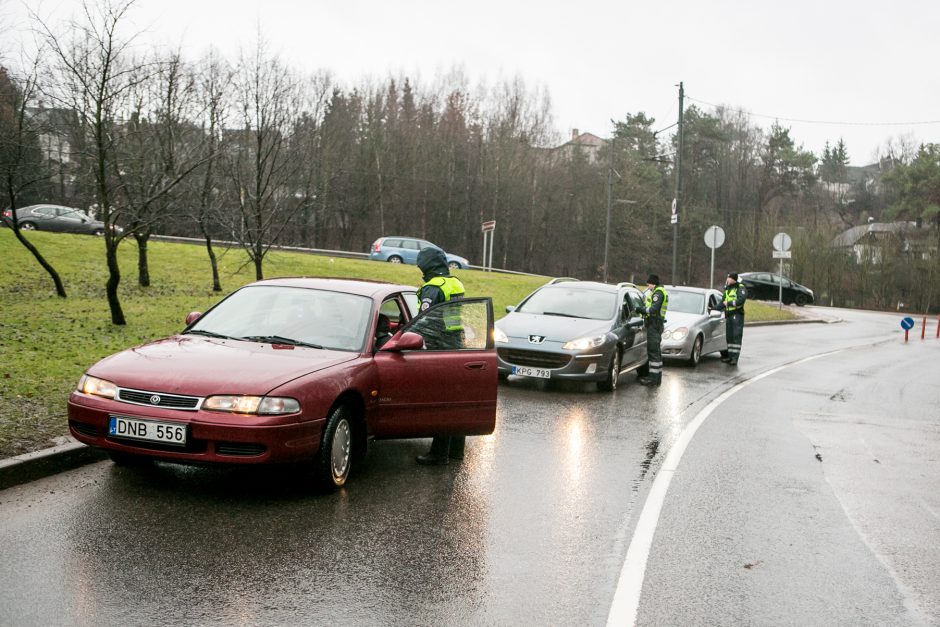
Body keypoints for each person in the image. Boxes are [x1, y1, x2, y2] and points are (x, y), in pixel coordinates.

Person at [414, 247, 467, 466]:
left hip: (438, 349)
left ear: (427, 266)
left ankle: (438, 453)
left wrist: (407, 335)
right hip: (456, 345)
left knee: (441, 402)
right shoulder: (455, 283)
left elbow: (426, 321)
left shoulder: (432, 288)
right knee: (456, 402)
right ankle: (456, 451)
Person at [639, 274, 668, 387]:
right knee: (656, 352)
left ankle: (653, 379)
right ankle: (657, 377)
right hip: (656, 324)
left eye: (649, 283)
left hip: (654, 324)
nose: (648, 285)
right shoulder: (659, 291)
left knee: (653, 352)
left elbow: (653, 309)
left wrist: (641, 309)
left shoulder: (658, 293)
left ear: (653, 283)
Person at [713, 272, 747, 365]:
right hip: (728, 315)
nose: (727, 279)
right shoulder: (727, 288)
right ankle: (730, 356)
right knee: (729, 337)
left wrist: (729, 303)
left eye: (729, 278)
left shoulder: (740, 287)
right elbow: (722, 303)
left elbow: (741, 300)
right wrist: (712, 309)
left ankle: (734, 358)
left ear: (733, 279)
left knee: (736, 336)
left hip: (737, 315)